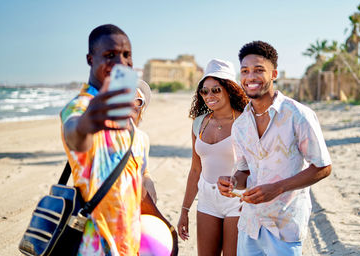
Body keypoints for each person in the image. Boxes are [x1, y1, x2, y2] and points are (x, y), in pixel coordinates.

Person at [60, 24, 177, 255]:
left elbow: (131, 183)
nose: (121, 62)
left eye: (126, 55)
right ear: (90, 59)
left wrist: (165, 226)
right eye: (110, 55)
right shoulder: (81, 107)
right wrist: (87, 123)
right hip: (95, 244)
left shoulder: (128, 123)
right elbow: (75, 135)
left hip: (129, 242)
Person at [217, 41, 332, 256]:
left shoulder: (298, 115)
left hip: (285, 227)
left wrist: (277, 188)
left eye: (259, 70)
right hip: (250, 225)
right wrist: (232, 181)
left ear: (274, 74)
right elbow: (245, 171)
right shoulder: (240, 125)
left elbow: (323, 167)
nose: (250, 77)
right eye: (245, 71)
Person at [177, 59, 248, 255]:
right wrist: (184, 210)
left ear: (229, 89)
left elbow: (255, 166)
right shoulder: (198, 123)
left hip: (237, 198)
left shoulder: (245, 121)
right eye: (204, 91)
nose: (209, 95)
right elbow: (195, 169)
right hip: (207, 198)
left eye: (216, 90)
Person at [132, 80, 157, 204]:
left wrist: (149, 182)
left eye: (138, 101)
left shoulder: (143, 138)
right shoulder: (106, 136)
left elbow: (145, 171)